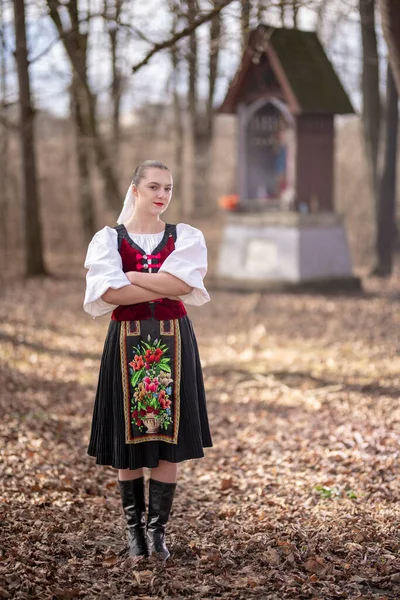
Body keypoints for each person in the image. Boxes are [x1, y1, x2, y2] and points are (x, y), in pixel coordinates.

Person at [83, 160, 212, 560]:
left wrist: (131, 276)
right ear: (135, 189)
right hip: (127, 344)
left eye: (168, 189)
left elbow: (183, 285)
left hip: (174, 343)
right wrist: (158, 285)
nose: (161, 195)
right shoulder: (108, 239)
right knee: (128, 437)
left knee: (168, 440)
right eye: (154, 186)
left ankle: (157, 532)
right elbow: (108, 296)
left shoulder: (186, 236)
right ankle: (134, 531)